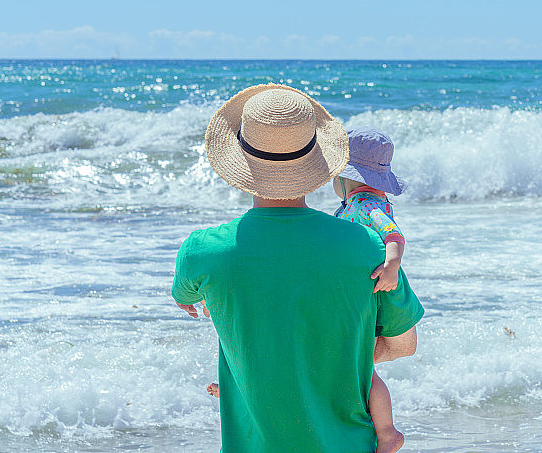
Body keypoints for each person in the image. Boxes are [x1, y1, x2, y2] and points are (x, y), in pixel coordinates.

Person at [171, 84, 424, 453]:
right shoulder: (368, 245)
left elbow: (185, 297)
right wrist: (328, 356)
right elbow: (404, 345)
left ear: (241, 159)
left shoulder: (202, 252)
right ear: (319, 161)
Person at [332, 126, 408, 451]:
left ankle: (388, 432)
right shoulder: (370, 200)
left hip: (366, 297)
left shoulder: (365, 204)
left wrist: (393, 264)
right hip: (366, 294)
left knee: (366, 372)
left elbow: (394, 235)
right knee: (363, 368)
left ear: (344, 176)